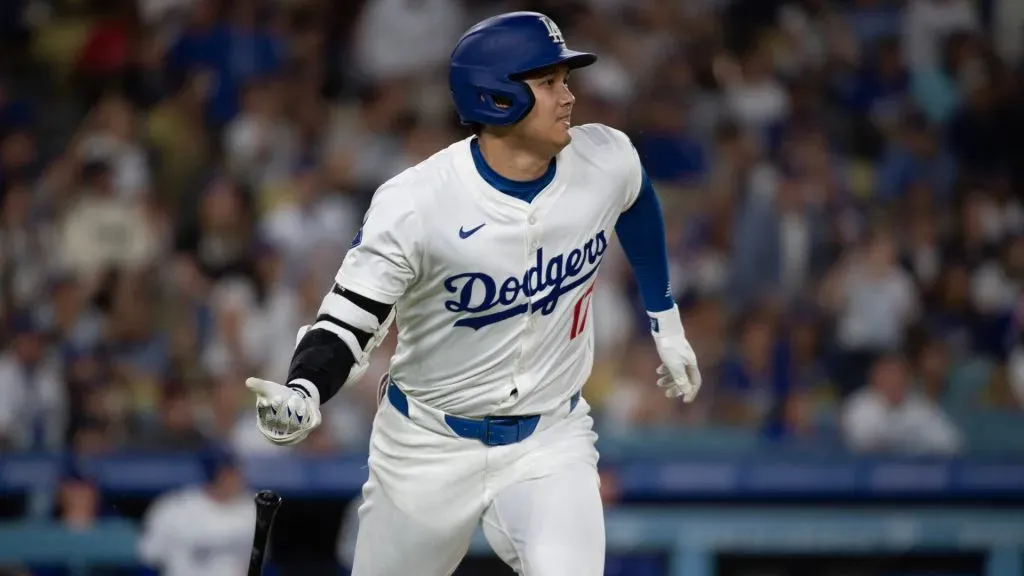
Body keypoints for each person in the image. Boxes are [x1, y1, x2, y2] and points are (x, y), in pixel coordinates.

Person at [245, 11, 702, 576]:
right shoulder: (416, 202)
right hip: (426, 447)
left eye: (566, 80)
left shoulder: (604, 157)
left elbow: (636, 199)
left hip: (548, 440)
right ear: (497, 98)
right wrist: (307, 387)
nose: (569, 97)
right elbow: (347, 321)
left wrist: (665, 318)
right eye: (549, 82)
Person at [137, 448, 256, 576]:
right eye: (227, 473)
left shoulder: (252, 508)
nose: (235, 478)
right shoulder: (173, 508)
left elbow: (258, 559)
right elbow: (149, 555)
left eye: (235, 472)